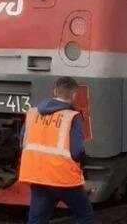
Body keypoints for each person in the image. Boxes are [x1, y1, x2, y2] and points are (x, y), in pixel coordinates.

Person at [19, 76, 93, 224]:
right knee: (85, 214)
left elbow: (22, 143)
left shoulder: (33, 113)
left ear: (54, 91)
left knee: (37, 220)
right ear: (74, 95)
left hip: (37, 176)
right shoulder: (72, 117)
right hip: (63, 179)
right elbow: (77, 151)